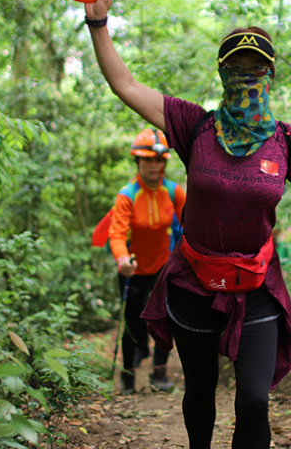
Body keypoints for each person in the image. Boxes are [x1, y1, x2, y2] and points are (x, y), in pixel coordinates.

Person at [84, 0, 291, 448]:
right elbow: (125, 83)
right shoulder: (193, 124)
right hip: (194, 285)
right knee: (200, 391)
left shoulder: (285, 140)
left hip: (256, 288)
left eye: (256, 67)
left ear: (270, 74)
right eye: (236, 67)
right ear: (222, 73)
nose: (246, 75)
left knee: (253, 401)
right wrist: (98, 22)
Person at [108, 129, 186, 394]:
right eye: (147, 160)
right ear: (138, 162)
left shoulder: (174, 192)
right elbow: (116, 234)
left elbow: (189, 227)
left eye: (158, 160)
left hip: (164, 264)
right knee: (133, 320)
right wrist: (122, 259)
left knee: (166, 317)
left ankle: (159, 374)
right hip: (132, 267)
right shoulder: (127, 194)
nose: (153, 165)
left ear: (165, 162)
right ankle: (128, 378)